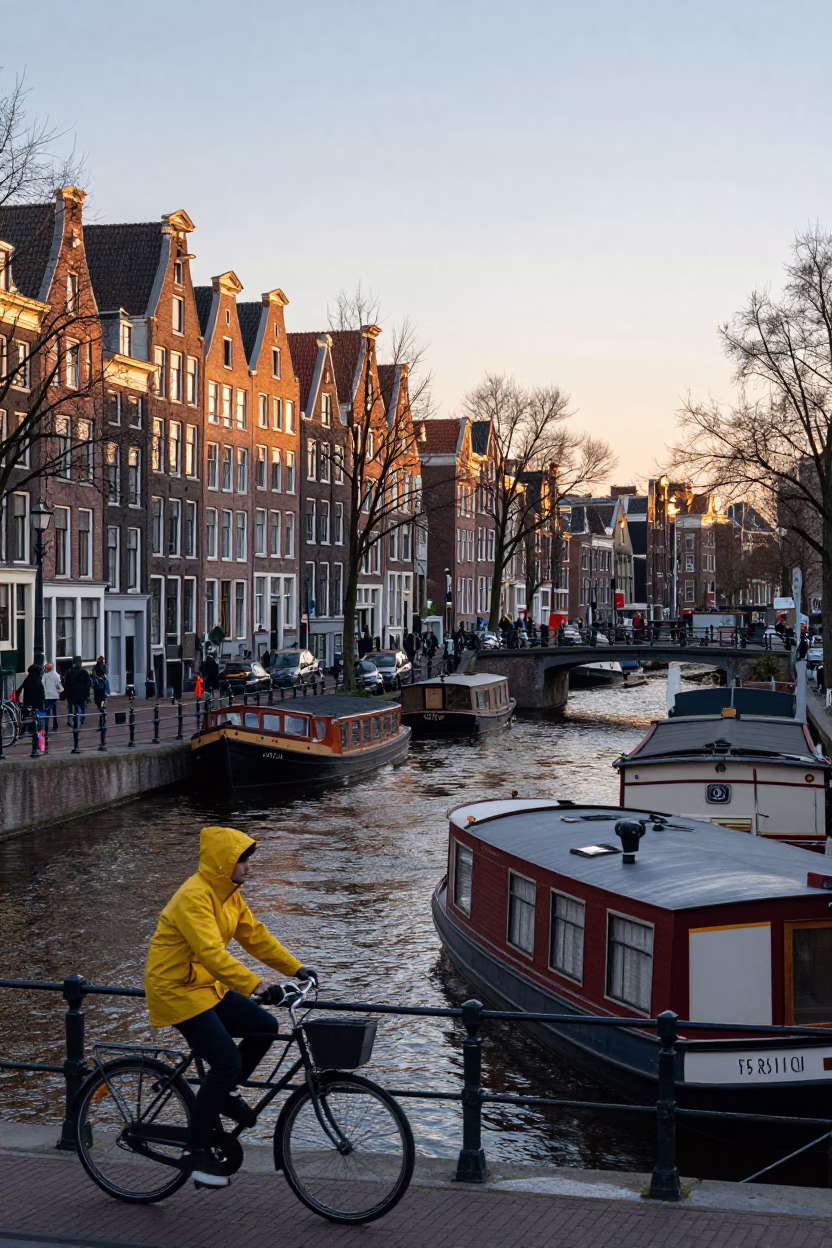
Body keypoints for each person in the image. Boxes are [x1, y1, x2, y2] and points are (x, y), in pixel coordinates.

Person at [145, 826, 316, 1189]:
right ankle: (194, 1151)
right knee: (226, 1061)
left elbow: (255, 935)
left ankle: (225, 1093)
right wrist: (258, 985)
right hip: (175, 990)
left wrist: (296, 969)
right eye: (242, 860)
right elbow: (211, 953)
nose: (248, 867)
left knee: (265, 1027)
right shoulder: (193, 897)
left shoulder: (228, 895)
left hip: (205, 986)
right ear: (223, 863)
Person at [63, 656, 92, 727]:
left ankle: (70, 721)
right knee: (83, 710)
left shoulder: (69, 672)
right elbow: (88, 684)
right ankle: (80, 721)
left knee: (70, 709)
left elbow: (66, 684)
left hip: (71, 695)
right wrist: (87, 694)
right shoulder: (84, 672)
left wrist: (67, 694)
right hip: (82, 696)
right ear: (79, 663)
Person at [18, 664, 45, 731]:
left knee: (25, 716)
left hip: (28, 702)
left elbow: (20, 688)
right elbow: (42, 692)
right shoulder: (39, 680)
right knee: (40, 717)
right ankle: (41, 731)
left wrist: (17, 697)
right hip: (38, 703)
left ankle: (21, 731)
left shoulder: (28, 679)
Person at [42, 663, 62, 732]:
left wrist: (45, 691)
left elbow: (42, 683)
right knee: (54, 712)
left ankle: (46, 726)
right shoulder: (56, 675)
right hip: (54, 696)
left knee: (47, 712)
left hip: (47, 696)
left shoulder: (44, 675)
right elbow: (59, 685)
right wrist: (59, 691)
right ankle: (55, 726)